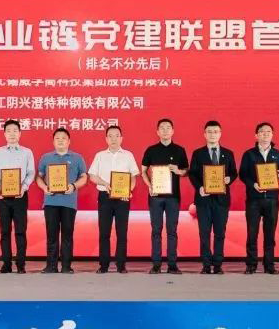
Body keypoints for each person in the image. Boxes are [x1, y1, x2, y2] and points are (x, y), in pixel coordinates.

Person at [140, 118, 189, 275]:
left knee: (172, 231)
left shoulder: (180, 150)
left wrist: (178, 171)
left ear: (173, 131)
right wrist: (149, 186)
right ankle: (156, 264)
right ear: (157, 131)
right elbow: (143, 171)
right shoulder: (151, 150)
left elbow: (186, 171)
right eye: (162, 128)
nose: (165, 130)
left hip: (173, 197)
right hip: (155, 196)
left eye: (168, 128)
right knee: (156, 230)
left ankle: (172, 264)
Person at [36, 127, 89, 274]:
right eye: (57, 138)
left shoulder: (77, 158)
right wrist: (44, 187)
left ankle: (66, 266)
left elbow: (84, 177)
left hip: (69, 203)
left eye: (63, 138)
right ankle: (51, 266)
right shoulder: (46, 158)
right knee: (51, 235)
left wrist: (74, 186)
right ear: (53, 141)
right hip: (50, 202)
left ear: (69, 141)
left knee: (67, 235)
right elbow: (39, 177)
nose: (60, 140)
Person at [188, 120, 237, 274]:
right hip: (203, 199)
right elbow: (192, 174)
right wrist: (199, 187)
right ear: (204, 134)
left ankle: (218, 264)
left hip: (222, 200)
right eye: (209, 132)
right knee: (204, 233)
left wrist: (229, 179)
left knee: (220, 233)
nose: (212, 134)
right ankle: (206, 264)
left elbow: (234, 172)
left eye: (215, 131)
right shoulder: (198, 153)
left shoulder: (228, 153)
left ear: (220, 134)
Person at [88, 125, 139, 274]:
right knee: (104, 232)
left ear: (121, 138)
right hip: (105, 196)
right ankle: (103, 265)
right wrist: (105, 183)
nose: (113, 139)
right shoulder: (100, 155)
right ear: (106, 139)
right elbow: (92, 176)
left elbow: (133, 177)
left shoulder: (128, 155)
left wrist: (128, 190)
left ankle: (121, 265)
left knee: (122, 232)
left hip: (122, 197)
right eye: (110, 136)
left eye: (117, 135)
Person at [239, 122, 279, 274]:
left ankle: (269, 265)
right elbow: (242, 174)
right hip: (254, 199)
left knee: (270, 234)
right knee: (252, 233)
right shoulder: (249, 154)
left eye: (268, 131)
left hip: (272, 199)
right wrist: (253, 184)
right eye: (262, 131)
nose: (265, 134)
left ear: (272, 135)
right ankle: (251, 265)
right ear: (256, 135)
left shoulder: (277, 154)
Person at [0, 119, 35, 274]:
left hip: (20, 196)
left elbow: (31, 173)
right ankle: (6, 264)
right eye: (8, 131)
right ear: (4, 134)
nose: (12, 134)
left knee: (20, 231)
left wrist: (24, 187)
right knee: (4, 231)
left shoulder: (27, 152)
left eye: (15, 131)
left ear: (20, 133)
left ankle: (21, 264)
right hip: (2, 197)